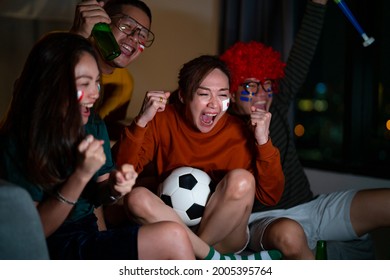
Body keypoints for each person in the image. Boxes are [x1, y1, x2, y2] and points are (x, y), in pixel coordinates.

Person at [0, 31, 195, 260]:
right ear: (53, 84)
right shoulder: (19, 140)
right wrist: (80, 176)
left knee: (172, 234)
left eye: (97, 83)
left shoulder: (92, 124)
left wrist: (114, 187)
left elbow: (101, 194)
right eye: (85, 83)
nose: (94, 94)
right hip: (53, 245)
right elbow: (32, 234)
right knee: (171, 236)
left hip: (89, 233)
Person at [221, 0, 390, 260]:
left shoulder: (274, 109)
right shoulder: (221, 131)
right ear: (231, 94)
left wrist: (317, 4)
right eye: (250, 86)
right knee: (290, 235)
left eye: (267, 85)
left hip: (312, 206)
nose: (262, 94)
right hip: (263, 220)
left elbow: (301, 55)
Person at [112, 54, 284, 260]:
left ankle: (195, 254)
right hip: (173, 224)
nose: (214, 104)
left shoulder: (241, 132)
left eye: (222, 95)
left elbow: (271, 196)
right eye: (204, 94)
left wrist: (263, 141)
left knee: (243, 180)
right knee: (136, 198)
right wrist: (141, 121)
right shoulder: (162, 119)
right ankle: (207, 259)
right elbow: (122, 169)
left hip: (226, 235)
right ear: (184, 96)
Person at [70, 0, 155, 140]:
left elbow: (104, 128)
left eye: (142, 35)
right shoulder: (60, 45)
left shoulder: (125, 82)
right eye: (127, 26)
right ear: (103, 22)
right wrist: (76, 38)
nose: (134, 38)